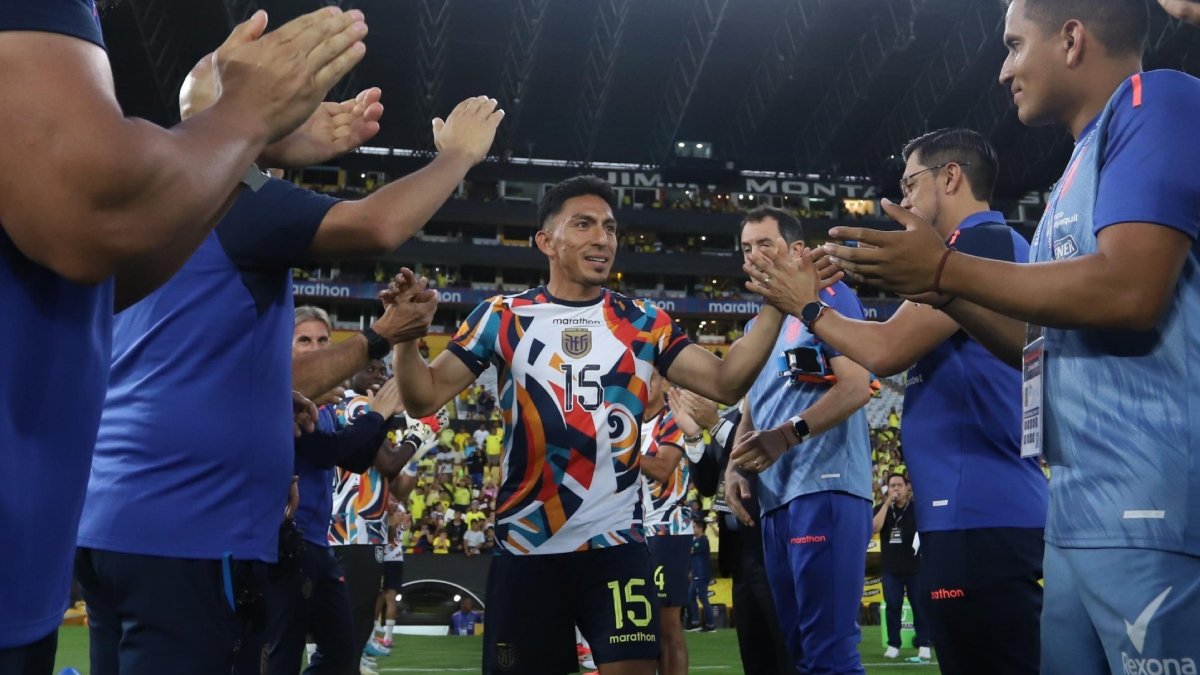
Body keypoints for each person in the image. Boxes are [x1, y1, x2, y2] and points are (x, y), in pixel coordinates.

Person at [73, 49, 501, 671]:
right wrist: (457, 156)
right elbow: (378, 226)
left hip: (109, 522)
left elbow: (174, 352)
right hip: (190, 526)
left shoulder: (146, 192)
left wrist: (266, 393)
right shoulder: (232, 197)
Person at [821, 1, 1200, 671]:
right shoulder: (1068, 180)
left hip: (1153, 508)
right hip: (1077, 511)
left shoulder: (1156, 99)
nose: (1003, 70)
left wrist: (944, 267)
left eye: (1015, 45)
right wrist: (946, 286)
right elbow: (1038, 341)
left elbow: (1132, 290)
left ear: (1073, 39)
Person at [0, 5, 368, 670]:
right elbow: (92, 223)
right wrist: (245, 118)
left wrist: (232, 145)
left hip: (69, 530)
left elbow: (98, 275)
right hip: (182, 528)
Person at [390, 176, 802, 675]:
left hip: (617, 549)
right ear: (546, 241)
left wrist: (777, 304)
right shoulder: (501, 316)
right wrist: (406, 340)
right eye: (583, 224)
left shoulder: (645, 321)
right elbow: (424, 395)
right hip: (527, 549)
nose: (602, 238)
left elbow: (726, 381)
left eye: (609, 227)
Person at [794, 128, 1048, 674]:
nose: (904, 201)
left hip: (978, 514)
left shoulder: (976, 246)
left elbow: (884, 350)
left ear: (950, 176)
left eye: (910, 184)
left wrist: (810, 307)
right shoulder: (978, 251)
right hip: (976, 512)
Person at [725, 206, 874, 675]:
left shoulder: (829, 296)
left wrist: (788, 436)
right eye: (746, 248)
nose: (754, 257)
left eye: (764, 244)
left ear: (795, 250)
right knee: (798, 652)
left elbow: (856, 385)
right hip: (775, 500)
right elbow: (754, 402)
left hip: (825, 489)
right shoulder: (758, 327)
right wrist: (733, 463)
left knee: (828, 651)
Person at [637, 373, 705, 675]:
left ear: (664, 383)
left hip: (668, 530)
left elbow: (663, 468)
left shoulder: (672, 419)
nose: (642, 384)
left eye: (650, 378)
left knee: (667, 623)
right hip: (634, 530)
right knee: (641, 624)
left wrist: (617, 453)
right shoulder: (630, 421)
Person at [872, 474, 931, 661]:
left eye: (899, 485)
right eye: (891, 486)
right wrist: (887, 503)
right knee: (893, 607)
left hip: (915, 567)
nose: (895, 488)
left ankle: (923, 644)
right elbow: (875, 527)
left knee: (919, 606)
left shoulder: (917, 508)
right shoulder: (883, 508)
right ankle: (893, 644)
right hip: (891, 569)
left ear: (908, 488)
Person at [686, 519, 715, 633]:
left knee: (703, 598)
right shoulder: (696, 540)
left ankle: (710, 625)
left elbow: (690, 551)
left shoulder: (702, 540)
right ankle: (695, 622)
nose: (693, 529)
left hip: (701, 574)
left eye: (694, 527)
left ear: (700, 528)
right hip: (696, 573)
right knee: (691, 597)